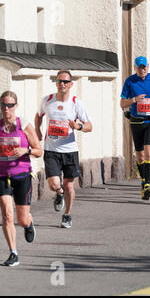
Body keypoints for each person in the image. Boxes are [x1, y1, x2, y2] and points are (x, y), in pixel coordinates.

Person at [0, 91, 42, 266]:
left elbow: (39, 150)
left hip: (22, 176)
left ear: (16, 106)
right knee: (7, 215)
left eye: (10, 105)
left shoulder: (24, 126)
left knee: (21, 218)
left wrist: (26, 151)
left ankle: (28, 223)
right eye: (3, 105)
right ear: (0, 107)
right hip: (2, 176)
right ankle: (13, 253)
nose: (6, 108)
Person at [35, 70, 93, 228]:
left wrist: (78, 126)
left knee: (69, 186)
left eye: (65, 82)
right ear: (56, 83)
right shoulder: (47, 100)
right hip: (51, 149)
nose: (62, 84)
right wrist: (38, 130)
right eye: (59, 81)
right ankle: (59, 194)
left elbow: (89, 126)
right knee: (54, 184)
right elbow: (38, 116)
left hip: (69, 150)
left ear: (71, 84)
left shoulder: (76, 103)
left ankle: (67, 215)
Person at [120, 56, 150, 199]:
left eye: (145, 67)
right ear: (135, 68)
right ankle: (144, 182)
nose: (143, 70)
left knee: (149, 152)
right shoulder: (130, 81)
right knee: (140, 155)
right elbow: (122, 103)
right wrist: (134, 100)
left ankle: (147, 185)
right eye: (140, 67)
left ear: (148, 66)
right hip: (136, 121)